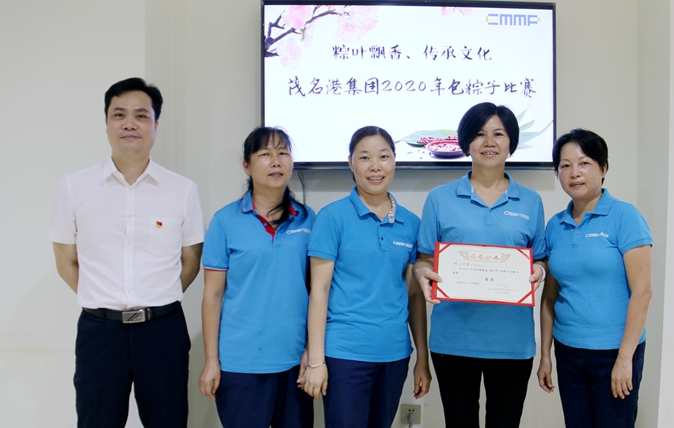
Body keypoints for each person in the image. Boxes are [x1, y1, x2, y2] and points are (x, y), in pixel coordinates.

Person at [48, 77, 205, 427]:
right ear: (106, 123)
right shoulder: (75, 188)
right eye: (119, 115)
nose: (129, 124)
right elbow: (66, 261)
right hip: (100, 333)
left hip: (162, 331)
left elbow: (190, 262)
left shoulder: (182, 190)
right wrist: (103, 297)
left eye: (141, 115)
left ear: (155, 124)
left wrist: (156, 297)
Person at [413, 102, 547, 428]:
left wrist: (539, 271)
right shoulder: (439, 198)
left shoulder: (531, 201)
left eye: (498, 134)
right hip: (453, 340)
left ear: (511, 143)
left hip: (512, 343)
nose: (489, 142)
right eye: (479, 134)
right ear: (465, 142)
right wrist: (422, 273)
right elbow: (423, 259)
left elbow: (540, 257)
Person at [298, 126, 431, 428]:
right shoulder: (333, 217)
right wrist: (316, 360)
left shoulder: (411, 223)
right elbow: (319, 291)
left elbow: (414, 297)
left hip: (394, 354)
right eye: (364, 157)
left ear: (394, 161)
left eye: (383, 157)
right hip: (344, 354)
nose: (375, 166)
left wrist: (422, 359)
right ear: (351, 163)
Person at [198, 127, 315, 427]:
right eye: (265, 154)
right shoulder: (225, 221)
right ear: (246, 166)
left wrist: (312, 351)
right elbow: (212, 295)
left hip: (294, 362)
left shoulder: (308, 219)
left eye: (283, 153)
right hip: (241, 364)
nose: (276, 161)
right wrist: (211, 361)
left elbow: (318, 291)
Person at [537, 129, 652, 427]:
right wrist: (545, 354)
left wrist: (625, 359)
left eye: (584, 163)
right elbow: (550, 296)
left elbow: (642, 292)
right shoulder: (555, 225)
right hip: (568, 351)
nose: (574, 173)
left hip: (614, 352)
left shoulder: (625, 216)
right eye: (565, 166)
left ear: (603, 169)